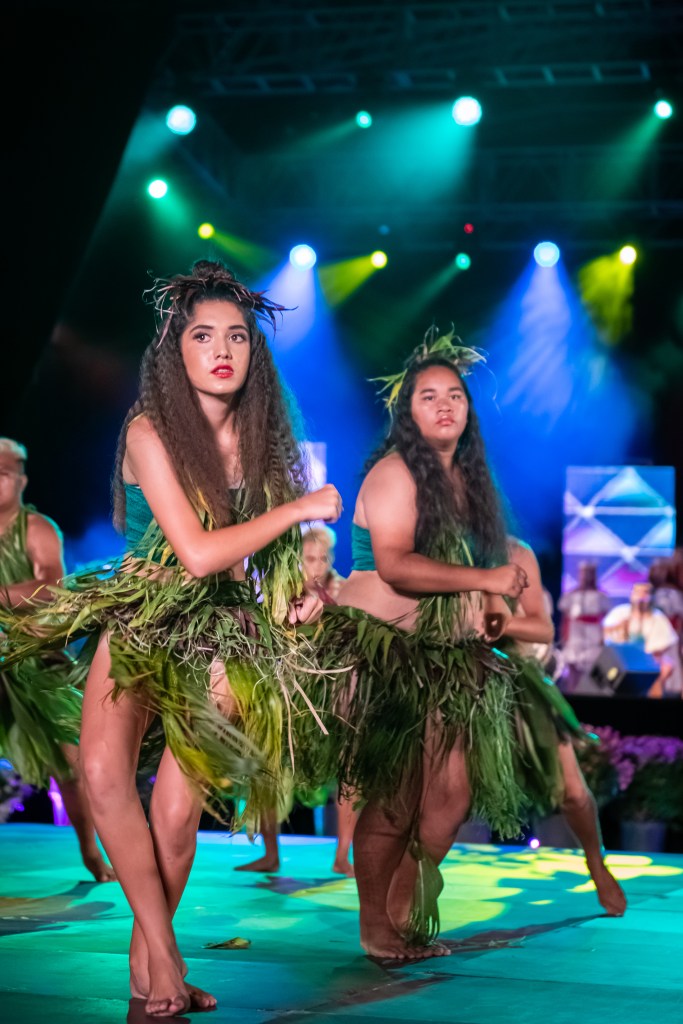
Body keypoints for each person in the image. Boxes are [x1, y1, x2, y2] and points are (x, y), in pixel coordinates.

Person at [0, 260, 341, 1017]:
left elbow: (266, 568)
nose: (222, 350)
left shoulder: (264, 442)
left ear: (254, 353)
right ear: (174, 350)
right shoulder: (150, 430)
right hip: (143, 613)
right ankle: (166, 958)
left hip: (221, 630)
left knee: (179, 816)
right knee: (101, 774)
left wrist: (298, 600)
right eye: (202, 336)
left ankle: (150, 969)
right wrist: (300, 507)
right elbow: (195, 552)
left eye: (237, 337)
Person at [295, 328, 592, 961]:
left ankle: (402, 912)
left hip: (448, 660)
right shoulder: (395, 472)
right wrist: (487, 581)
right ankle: (376, 928)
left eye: (454, 395)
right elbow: (397, 565)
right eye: (428, 396)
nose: (444, 405)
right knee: (396, 797)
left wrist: (491, 608)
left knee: (451, 797)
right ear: (408, 412)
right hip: (386, 654)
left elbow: (481, 573)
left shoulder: (468, 484)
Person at [0, 437, 114, 882]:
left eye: (3, 473)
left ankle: (91, 852)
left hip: (35, 656)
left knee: (73, 761)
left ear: (21, 480)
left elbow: (51, 586)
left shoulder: (36, 529)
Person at [501, 537, 626, 914]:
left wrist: (493, 623)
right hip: (462, 684)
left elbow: (543, 629)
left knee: (572, 791)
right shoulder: (443, 549)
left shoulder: (515, 552)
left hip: (522, 682)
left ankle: (596, 864)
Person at [235, 523, 358, 877]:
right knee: (265, 764)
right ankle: (270, 853)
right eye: (310, 558)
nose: (317, 565)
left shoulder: (346, 591)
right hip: (288, 693)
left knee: (351, 766)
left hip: (332, 695)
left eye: (324, 558)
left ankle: (343, 855)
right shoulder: (280, 593)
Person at [602, 581, 682, 698]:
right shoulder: (620, 613)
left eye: (645, 593)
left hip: (649, 659)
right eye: (637, 592)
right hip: (623, 658)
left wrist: (645, 656)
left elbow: (664, 643)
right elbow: (608, 635)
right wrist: (621, 628)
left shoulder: (657, 617)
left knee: (664, 667)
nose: (641, 597)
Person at [557, 562, 611, 693]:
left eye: (589, 573)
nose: (586, 576)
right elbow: (565, 619)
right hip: (575, 637)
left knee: (594, 673)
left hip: (593, 638)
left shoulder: (601, 596)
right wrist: (564, 637)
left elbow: (604, 619)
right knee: (573, 670)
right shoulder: (571, 595)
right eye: (584, 573)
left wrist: (602, 639)